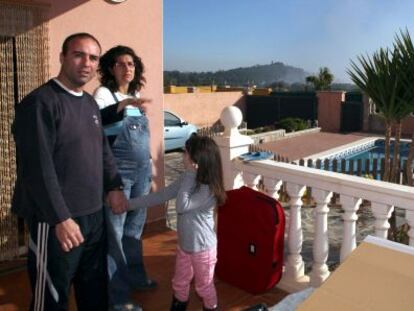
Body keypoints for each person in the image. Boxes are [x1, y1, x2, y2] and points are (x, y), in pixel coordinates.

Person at [12, 33, 128, 311]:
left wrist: (114, 186)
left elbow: (102, 150)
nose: (86, 63)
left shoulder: (89, 104)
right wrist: (60, 218)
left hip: (93, 218)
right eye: (78, 54)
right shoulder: (40, 103)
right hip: (54, 222)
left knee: (94, 291)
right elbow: (37, 169)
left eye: (93, 57)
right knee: (51, 298)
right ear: (62, 57)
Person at [129, 134, 226, 311]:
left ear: (197, 160)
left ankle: (212, 308)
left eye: (186, 153)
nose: (183, 156)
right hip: (185, 247)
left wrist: (189, 174)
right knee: (179, 283)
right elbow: (162, 195)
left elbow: (182, 206)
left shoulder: (209, 190)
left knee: (204, 287)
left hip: (203, 250)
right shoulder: (188, 179)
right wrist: (129, 204)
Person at [93, 45, 156, 310]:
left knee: (134, 230)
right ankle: (117, 299)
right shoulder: (104, 94)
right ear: (110, 68)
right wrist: (123, 105)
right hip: (119, 173)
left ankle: (136, 277)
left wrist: (150, 168)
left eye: (130, 64)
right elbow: (95, 120)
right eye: (120, 64)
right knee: (115, 234)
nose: (126, 68)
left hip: (142, 172)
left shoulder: (136, 94)